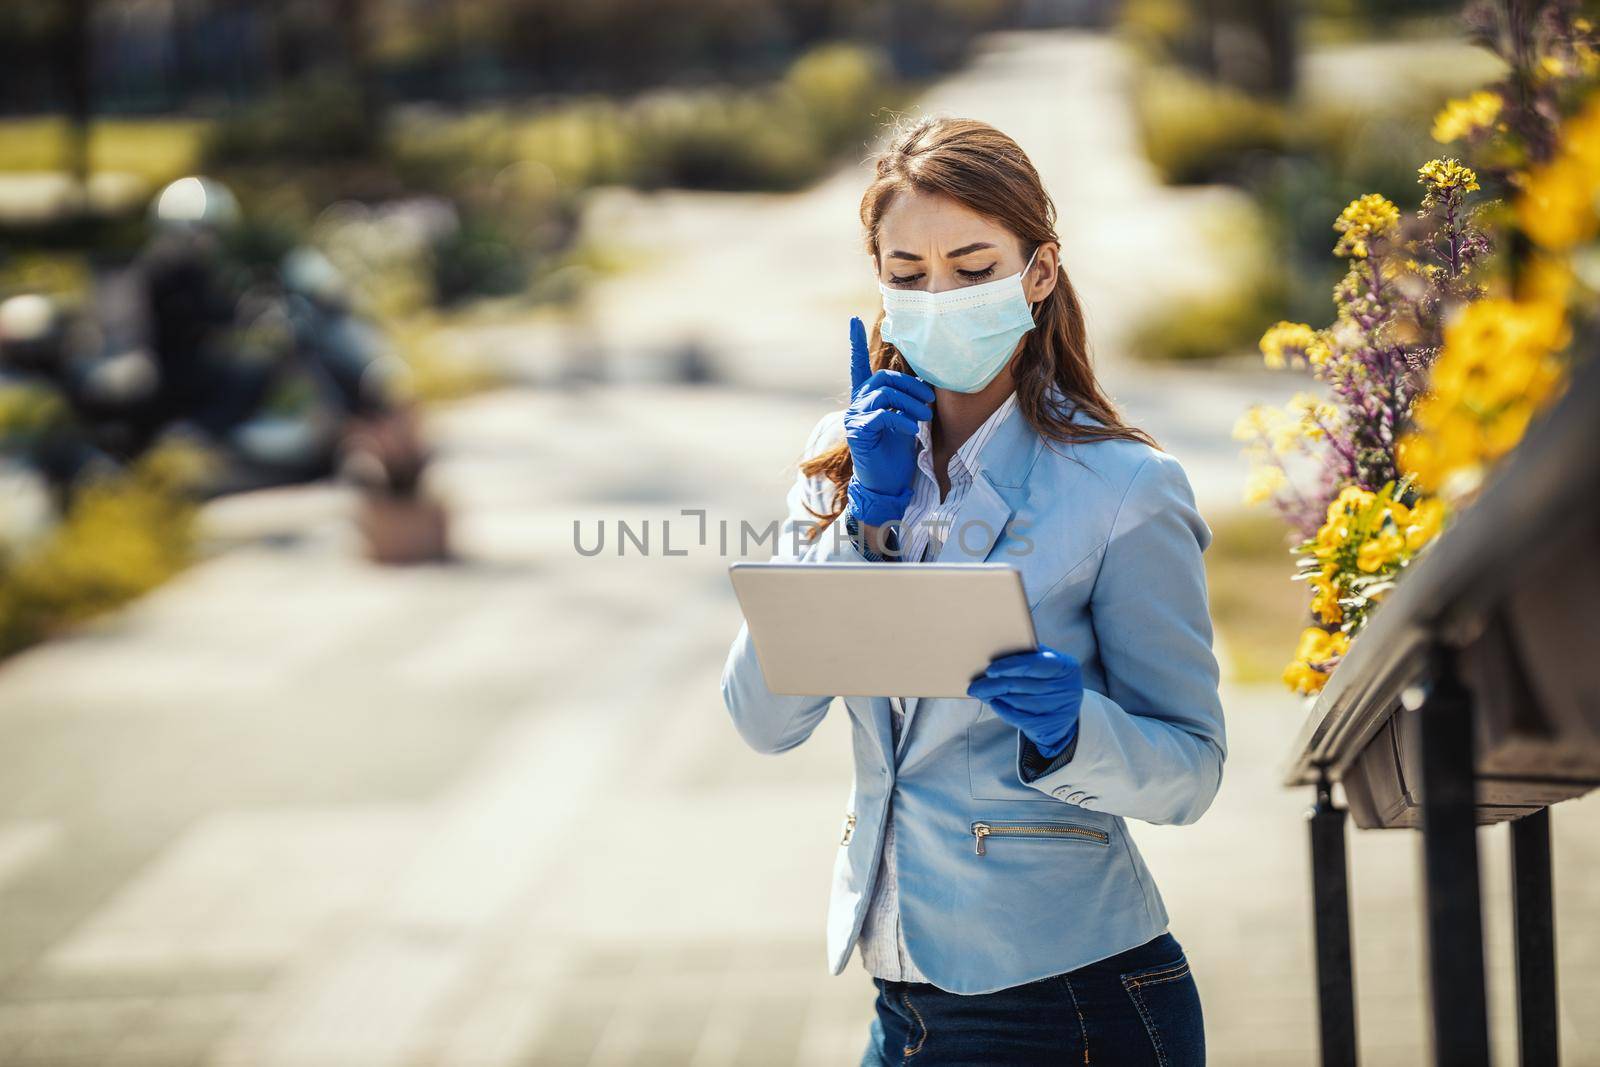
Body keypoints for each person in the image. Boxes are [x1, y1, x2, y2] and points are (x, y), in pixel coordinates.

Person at [720, 116, 1225, 1065]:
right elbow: (763, 717)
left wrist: (1073, 728)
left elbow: (1191, 771)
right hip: (901, 997)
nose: (939, 297)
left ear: (1039, 272)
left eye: (972, 266)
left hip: (1076, 1002)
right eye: (908, 277)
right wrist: (861, 524)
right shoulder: (840, 456)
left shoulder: (1125, 487)